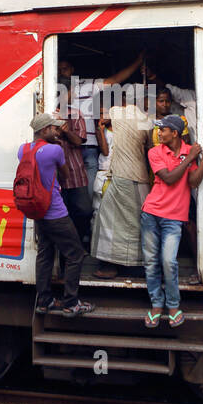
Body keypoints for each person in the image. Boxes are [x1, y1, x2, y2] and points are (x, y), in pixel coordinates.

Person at [142, 114, 203, 328]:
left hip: (174, 217)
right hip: (151, 213)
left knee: (168, 262)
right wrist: (190, 158)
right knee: (151, 262)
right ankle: (156, 305)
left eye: (162, 130)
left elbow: (193, 182)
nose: (159, 133)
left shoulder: (188, 151)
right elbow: (170, 178)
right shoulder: (155, 152)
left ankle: (173, 306)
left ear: (174, 133)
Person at [19, 112, 93, 318]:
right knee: (75, 254)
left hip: (37, 210)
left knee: (45, 253)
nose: (57, 131)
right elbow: (66, 174)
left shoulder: (22, 149)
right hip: (55, 211)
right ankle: (71, 303)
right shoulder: (54, 150)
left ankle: (44, 301)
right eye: (54, 128)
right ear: (45, 130)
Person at [59, 52, 145, 195]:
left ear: (72, 69)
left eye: (65, 69)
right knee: (69, 195)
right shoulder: (49, 91)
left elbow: (115, 80)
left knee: (90, 193)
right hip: (66, 149)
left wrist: (138, 61)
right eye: (60, 70)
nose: (62, 73)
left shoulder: (87, 85)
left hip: (89, 148)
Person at [91, 103, 153, 279]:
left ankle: (120, 264)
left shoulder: (119, 116)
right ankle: (136, 263)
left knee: (109, 221)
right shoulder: (145, 124)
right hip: (140, 178)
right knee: (135, 222)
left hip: (123, 177)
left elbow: (109, 114)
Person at [56, 113, 92, 245]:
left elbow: (78, 141)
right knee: (61, 217)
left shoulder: (75, 114)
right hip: (56, 177)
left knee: (85, 211)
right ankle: (66, 253)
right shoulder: (49, 110)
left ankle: (78, 244)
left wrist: (65, 131)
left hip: (75, 173)